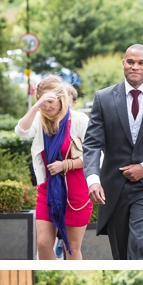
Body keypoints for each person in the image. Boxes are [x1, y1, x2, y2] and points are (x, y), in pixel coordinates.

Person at [83, 44, 143, 260]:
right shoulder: (103, 98)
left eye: (141, 62)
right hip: (113, 189)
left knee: (141, 247)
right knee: (121, 254)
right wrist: (93, 180)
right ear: (123, 64)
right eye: (130, 62)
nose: (135, 66)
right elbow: (92, 144)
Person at [15, 75, 91, 260]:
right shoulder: (40, 120)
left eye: (51, 102)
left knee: (71, 246)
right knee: (43, 243)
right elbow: (21, 132)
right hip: (47, 190)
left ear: (62, 98)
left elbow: (95, 155)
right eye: (43, 103)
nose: (47, 108)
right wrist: (35, 106)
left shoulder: (79, 119)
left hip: (76, 191)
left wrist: (66, 164)